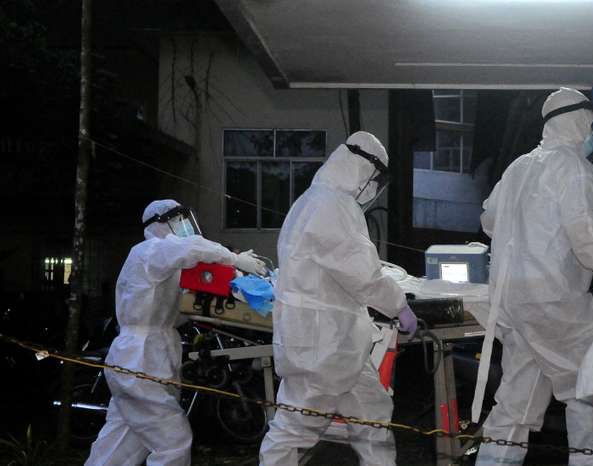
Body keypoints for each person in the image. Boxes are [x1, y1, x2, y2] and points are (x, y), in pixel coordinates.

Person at [472, 88, 593, 466]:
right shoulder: (573, 166)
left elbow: (488, 220)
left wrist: (524, 232)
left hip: (512, 303)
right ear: (578, 121)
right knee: (589, 396)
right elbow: (585, 237)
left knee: (516, 400)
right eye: (590, 125)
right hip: (557, 303)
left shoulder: (519, 166)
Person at [259, 131, 418, 466]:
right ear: (363, 170)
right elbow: (362, 274)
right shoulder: (332, 205)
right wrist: (399, 305)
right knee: (294, 428)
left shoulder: (313, 200)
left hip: (338, 343)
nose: (374, 189)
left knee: (372, 413)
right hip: (322, 345)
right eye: (375, 180)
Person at [85, 199, 266, 466]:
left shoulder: (165, 265)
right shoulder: (148, 252)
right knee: (173, 442)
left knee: (120, 444)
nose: (185, 228)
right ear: (161, 222)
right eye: (179, 221)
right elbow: (190, 248)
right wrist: (233, 258)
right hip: (139, 360)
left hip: (149, 358)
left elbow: (172, 312)